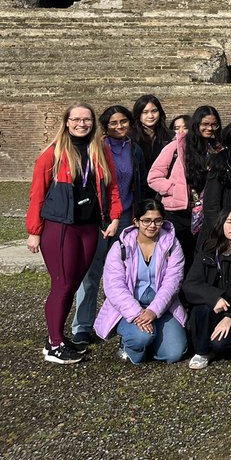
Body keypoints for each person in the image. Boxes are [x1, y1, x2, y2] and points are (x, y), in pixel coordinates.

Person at [26, 102, 121, 363]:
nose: (82, 123)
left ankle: (56, 337)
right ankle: (55, 344)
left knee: (73, 284)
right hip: (60, 226)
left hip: (88, 226)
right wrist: (34, 231)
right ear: (66, 122)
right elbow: (37, 194)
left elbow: (112, 186)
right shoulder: (53, 152)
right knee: (63, 283)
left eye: (87, 119)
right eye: (76, 119)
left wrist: (114, 216)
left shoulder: (99, 150)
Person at [71, 104, 146, 344]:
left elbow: (140, 185)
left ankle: (122, 319)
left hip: (126, 217)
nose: (119, 126)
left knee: (127, 273)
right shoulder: (97, 149)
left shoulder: (135, 150)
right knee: (91, 272)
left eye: (123, 122)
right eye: (113, 123)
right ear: (105, 126)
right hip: (100, 218)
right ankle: (82, 325)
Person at [94, 198, 187, 364]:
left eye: (158, 220)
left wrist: (153, 311)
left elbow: (172, 283)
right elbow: (114, 287)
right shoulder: (120, 247)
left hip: (162, 307)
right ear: (136, 221)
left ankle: (152, 340)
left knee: (174, 353)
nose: (152, 226)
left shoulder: (172, 245)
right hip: (129, 309)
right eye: (146, 221)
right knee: (141, 337)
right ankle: (131, 345)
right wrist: (137, 314)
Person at [181, 206, 231, 369]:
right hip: (211, 309)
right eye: (228, 221)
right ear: (221, 224)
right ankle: (202, 352)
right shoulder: (208, 248)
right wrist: (214, 297)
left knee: (221, 346)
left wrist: (230, 317)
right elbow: (190, 284)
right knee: (201, 308)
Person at [147, 105, 221, 269]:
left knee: (199, 261)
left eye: (213, 124)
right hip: (178, 213)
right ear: (196, 124)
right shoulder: (177, 146)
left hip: (206, 215)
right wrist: (177, 190)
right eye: (205, 124)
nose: (209, 128)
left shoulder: (218, 150)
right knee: (176, 261)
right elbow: (153, 177)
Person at [131, 94, 171, 180]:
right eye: (145, 112)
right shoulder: (129, 138)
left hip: (163, 185)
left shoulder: (170, 137)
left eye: (154, 111)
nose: (150, 116)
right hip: (138, 186)